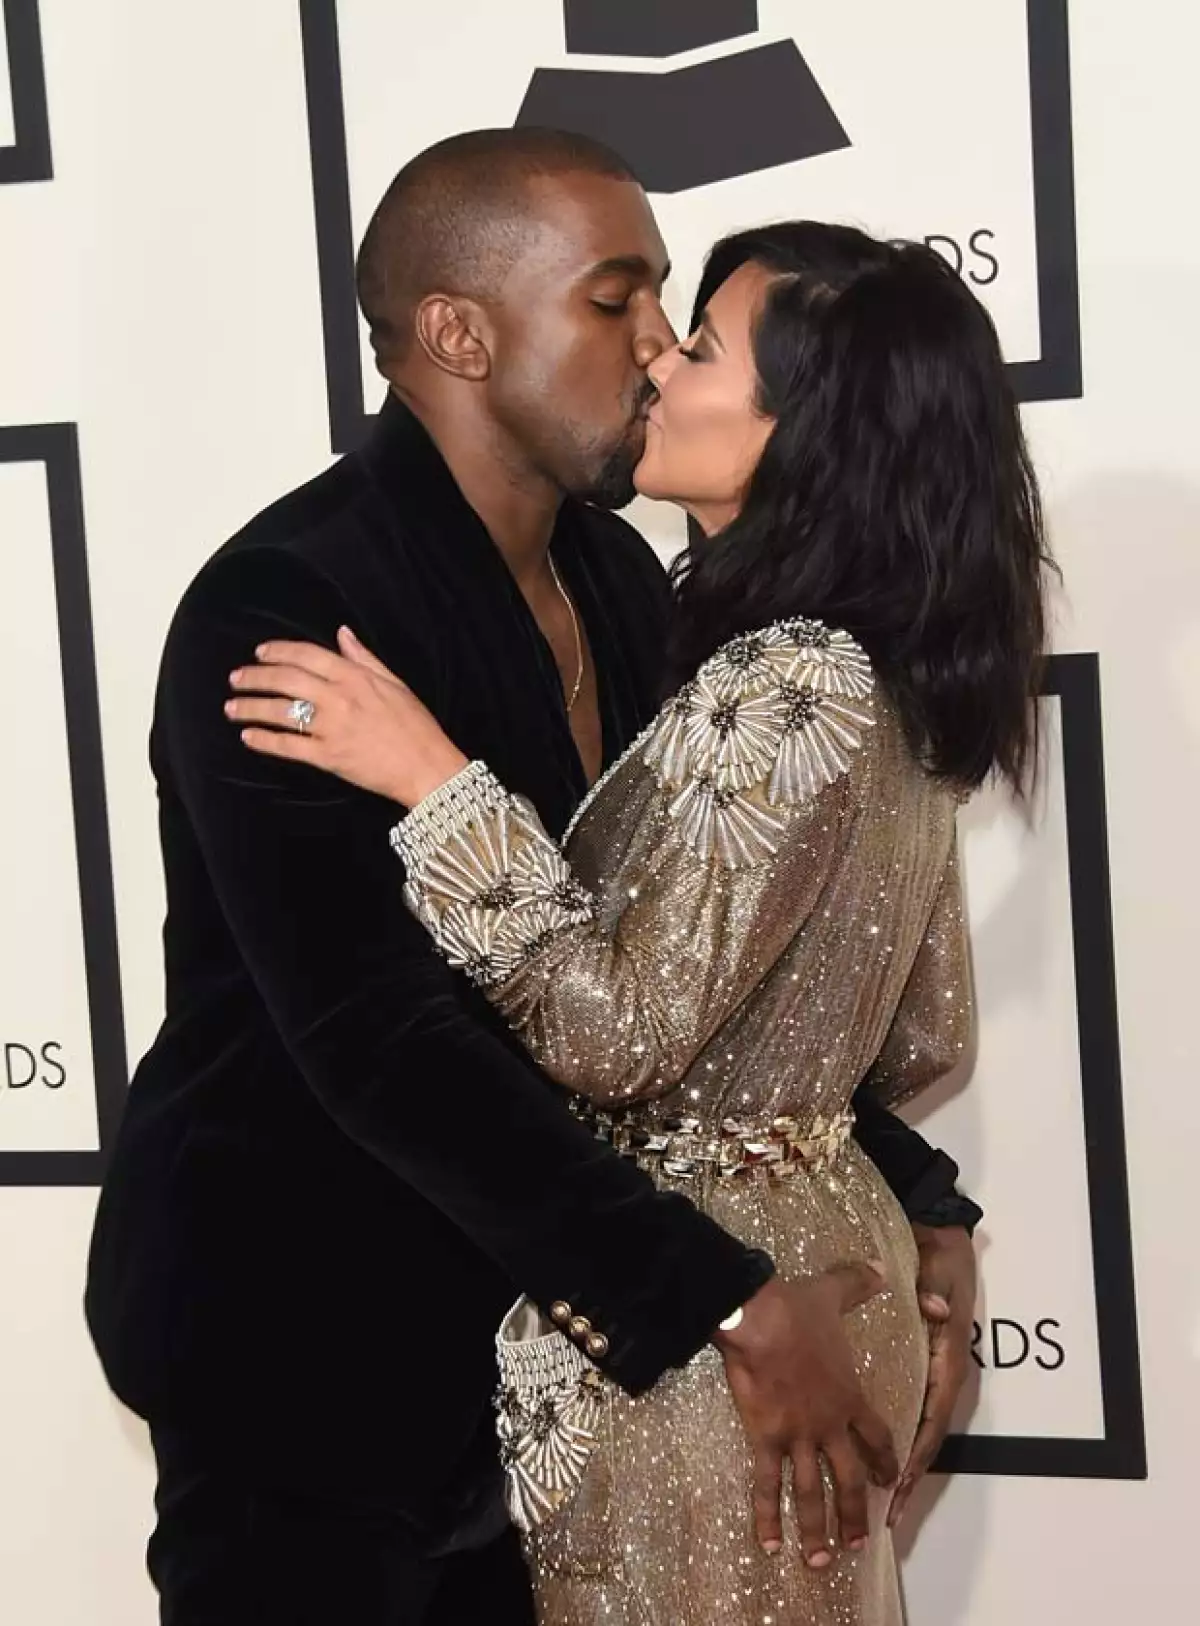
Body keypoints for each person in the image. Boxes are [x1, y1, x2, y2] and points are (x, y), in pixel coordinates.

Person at [85, 131, 979, 1626]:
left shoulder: (626, 582)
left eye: (671, 319)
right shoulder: (293, 604)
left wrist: (915, 1189)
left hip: (533, 1351)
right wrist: (725, 1295)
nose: (652, 351)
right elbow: (382, 1040)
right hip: (297, 1346)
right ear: (458, 330)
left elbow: (690, 966)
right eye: (617, 300)